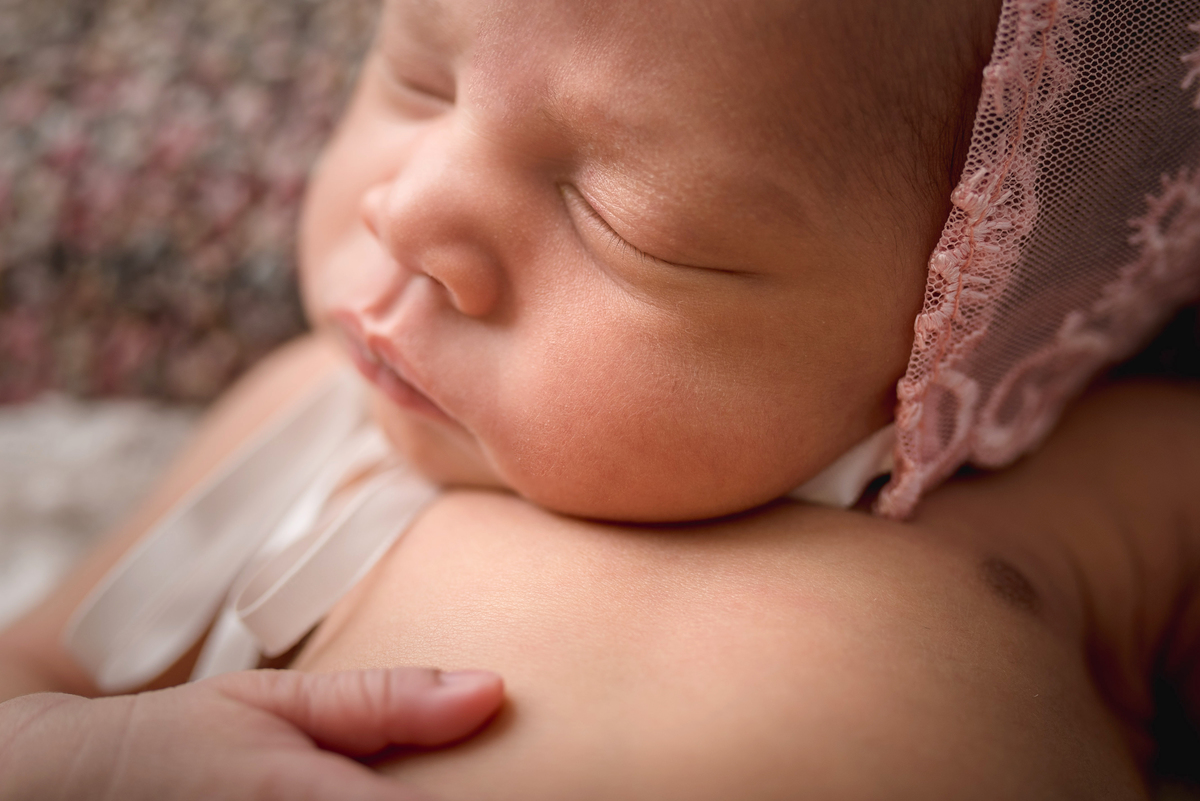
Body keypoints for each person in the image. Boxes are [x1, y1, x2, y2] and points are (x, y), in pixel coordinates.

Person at [3, 0, 1200, 797]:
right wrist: (96, 762)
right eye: (420, 81)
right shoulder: (311, 425)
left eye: (633, 223)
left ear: (973, 308)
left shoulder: (1083, 477)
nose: (408, 213)